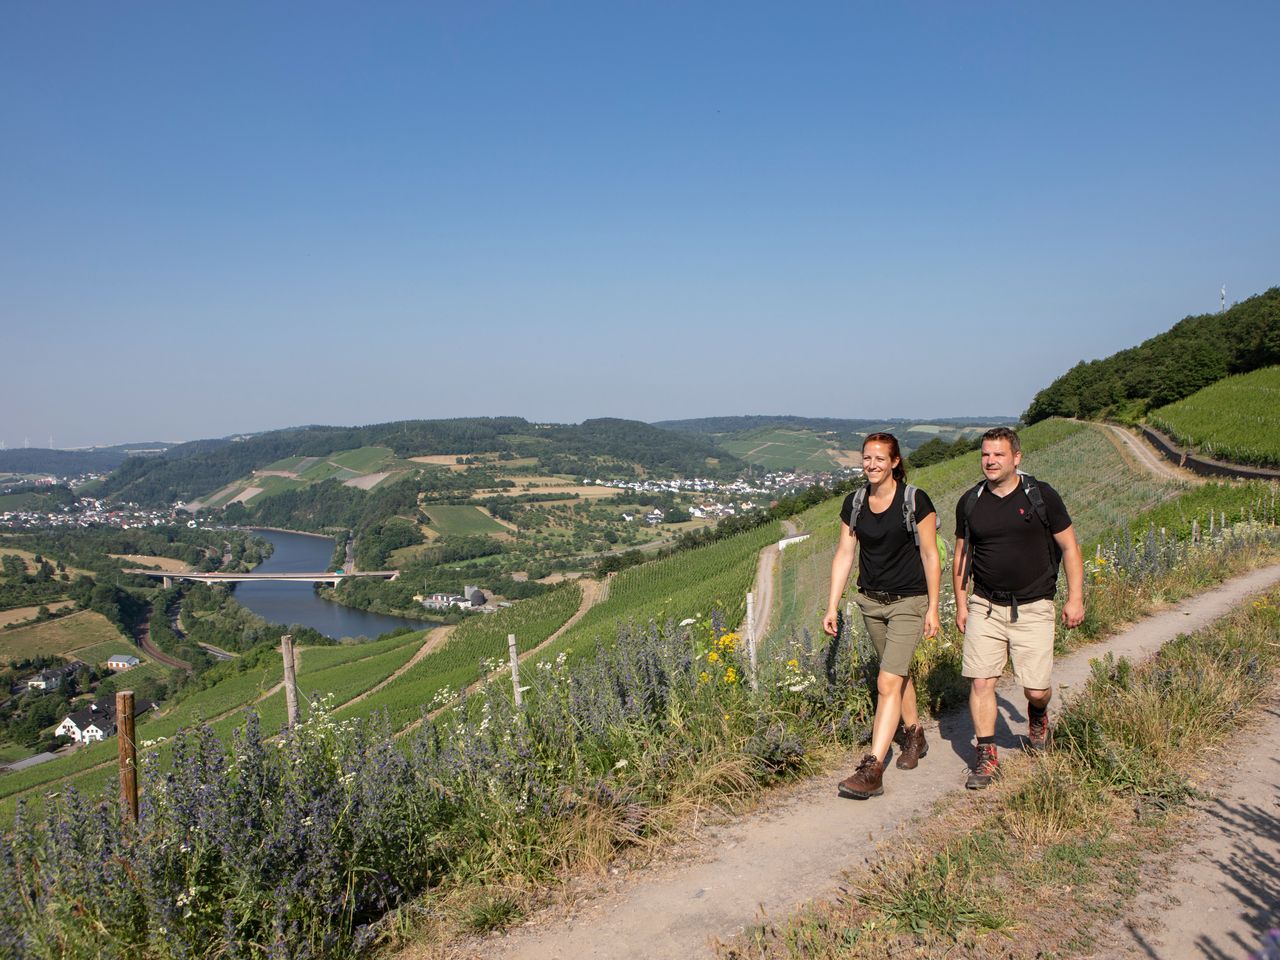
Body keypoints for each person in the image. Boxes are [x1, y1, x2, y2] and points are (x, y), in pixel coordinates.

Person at [953, 427, 1085, 789]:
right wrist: (962, 603)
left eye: (998, 454)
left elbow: (1070, 548)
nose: (990, 461)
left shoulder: (1041, 496)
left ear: (1016, 458)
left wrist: (1075, 598)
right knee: (981, 681)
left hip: (1034, 605)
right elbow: (962, 556)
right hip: (986, 605)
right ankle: (987, 754)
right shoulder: (970, 501)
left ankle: (1038, 715)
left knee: (1036, 689)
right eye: (985, 454)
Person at [824, 433, 941, 799]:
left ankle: (872, 769)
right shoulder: (855, 502)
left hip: (909, 601)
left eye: (879, 458)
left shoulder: (914, 500)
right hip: (871, 603)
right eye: (866, 458)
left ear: (895, 462)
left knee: (886, 681)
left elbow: (930, 555)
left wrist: (934, 606)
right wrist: (832, 604)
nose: (871, 465)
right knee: (897, 672)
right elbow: (845, 553)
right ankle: (915, 734)